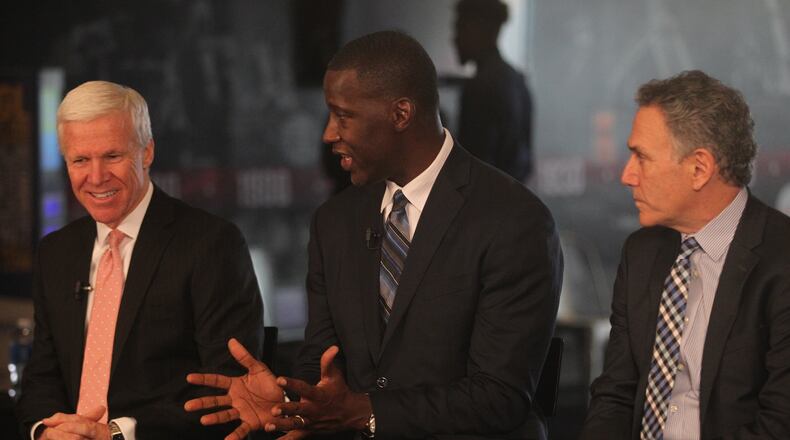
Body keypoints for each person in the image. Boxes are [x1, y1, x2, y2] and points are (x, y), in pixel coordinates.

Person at [185, 30, 562, 440]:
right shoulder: (334, 221)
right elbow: (322, 364)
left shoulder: (513, 220)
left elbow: (498, 397)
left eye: (343, 115)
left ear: (400, 114)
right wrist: (288, 403)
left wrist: (362, 412)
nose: (329, 133)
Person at [15, 81, 264, 439]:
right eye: (81, 160)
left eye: (112, 156)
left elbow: (226, 388)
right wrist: (45, 431)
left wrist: (117, 434)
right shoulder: (56, 251)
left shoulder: (210, 243)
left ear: (146, 152)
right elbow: (41, 377)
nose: (97, 177)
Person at [580, 70, 790, 439]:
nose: (627, 175)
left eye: (641, 157)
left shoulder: (781, 259)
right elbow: (615, 394)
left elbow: (780, 422)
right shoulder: (642, 252)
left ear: (698, 168)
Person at [454, 0, 534, 182]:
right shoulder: (517, 81)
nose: (455, 38)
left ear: (478, 30)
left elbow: (472, 164)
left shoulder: (480, 87)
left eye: (459, 28)